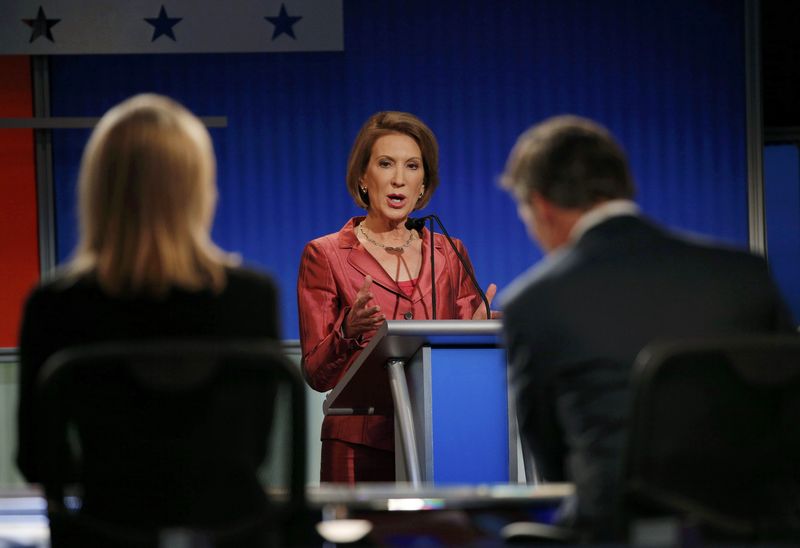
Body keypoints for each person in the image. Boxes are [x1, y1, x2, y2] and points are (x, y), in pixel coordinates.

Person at [498, 115, 795, 541]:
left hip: (615, 532)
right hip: (750, 531)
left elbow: (554, 461)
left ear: (541, 206)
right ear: (621, 186)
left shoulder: (533, 302)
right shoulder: (743, 274)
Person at [16, 94, 280, 526]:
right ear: (198, 189)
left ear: (99, 192)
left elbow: (37, 460)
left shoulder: (55, 306)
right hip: (230, 536)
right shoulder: (250, 297)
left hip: (108, 535)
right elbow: (255, 449)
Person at [297, 111, 496, 483]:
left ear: (424, 183)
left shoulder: (450, 253)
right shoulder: (325, 254)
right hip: (358, 447)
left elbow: (464, 348)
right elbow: (316, 373)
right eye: (386, 164)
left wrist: (481, 334)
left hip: (438, 440)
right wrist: (348, 332)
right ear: (362, 177)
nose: (399, 179)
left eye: (412, 166)